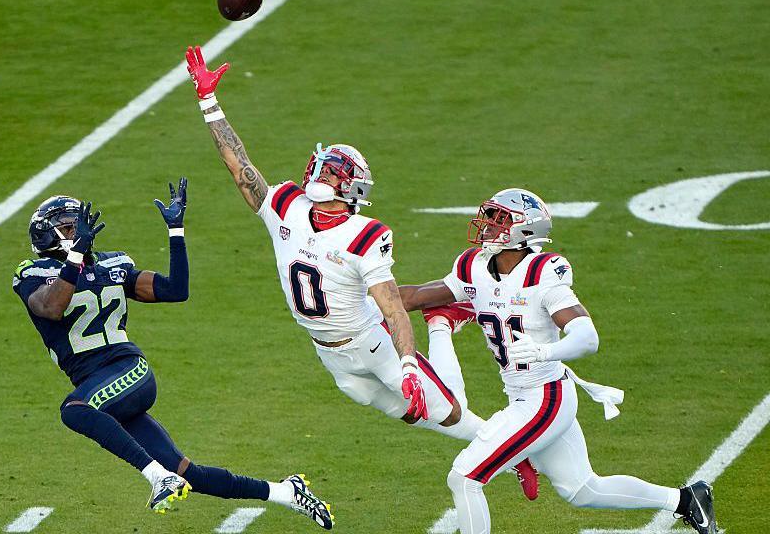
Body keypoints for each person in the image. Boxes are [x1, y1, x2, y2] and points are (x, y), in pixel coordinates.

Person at [184, 45, 539, 499]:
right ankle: (509, 453)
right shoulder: (286, 206)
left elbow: (391, 306)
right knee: (404, 413)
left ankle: (451, 339)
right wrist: (208, 102)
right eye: (326, 167)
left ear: (348, 184)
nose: (324, 173)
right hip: (328, 353)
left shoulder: (364, 233)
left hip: (372, 344)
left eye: (333, 171)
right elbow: (240, 168)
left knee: (446, 410)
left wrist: (408, 363)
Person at [11, 179, 334, 529]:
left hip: (126, 371)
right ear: (45, 236)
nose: (78, 232)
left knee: (74, 411)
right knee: (189, 473)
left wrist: (176, 231)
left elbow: (174, 290)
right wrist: (75, 258)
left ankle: (157, 478)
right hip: (102, 390)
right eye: (69, 227)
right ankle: (286, 491)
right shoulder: (33, 273)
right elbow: (52, 307)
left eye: (78, 225)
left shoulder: (111, 264)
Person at [399, 188, 718, 534]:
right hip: (525, 395)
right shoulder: (474, 267)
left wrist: (544, 351)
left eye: (498, 219)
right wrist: (359, 300)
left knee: (464, 477)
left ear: (523, 230)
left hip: (545, 396)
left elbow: (587, 338)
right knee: (582, 488)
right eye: (489, 216)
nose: (487, 225)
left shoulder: (543, 273)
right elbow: (414, 297)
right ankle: (686, 500)